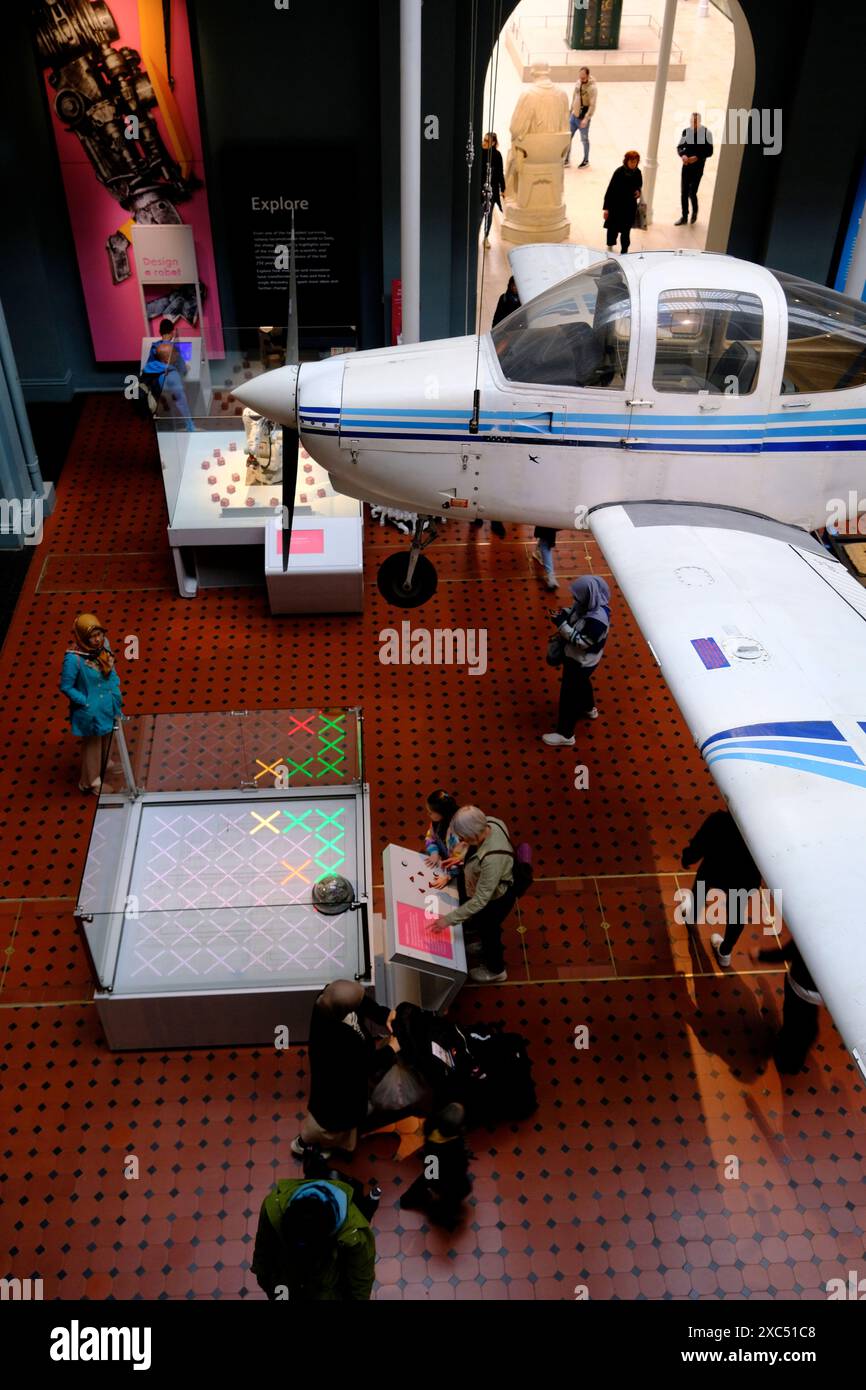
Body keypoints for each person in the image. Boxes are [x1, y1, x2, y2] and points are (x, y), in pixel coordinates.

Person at [292, 980, 391, 1160]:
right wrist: (392, 1049)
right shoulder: (336, 1042)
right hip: (338, 1100)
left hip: (339, 1091)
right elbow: (365, 1065)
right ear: (344, 1011)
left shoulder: (327, 999)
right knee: (335, 1129)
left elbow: (361, 1002)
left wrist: (384, 1015)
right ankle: (324, 1148)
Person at [251, 1175, 376, 1300]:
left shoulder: (355, 1236)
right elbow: (263, 1252)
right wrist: (270, 1286)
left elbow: (361, 1284)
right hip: (284, 1285)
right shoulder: (273, 1210)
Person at [429, 805, 516, 984]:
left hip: (496, 900)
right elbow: (476, 849)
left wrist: (448, 920)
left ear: (473, 834)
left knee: (490, 931)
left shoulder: (492, 860)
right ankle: (483, 946)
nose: (461, 840)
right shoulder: (492, 822)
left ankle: (496, 970)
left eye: (463, 837)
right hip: (486, 891)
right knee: (483, 928)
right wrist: (461, 858)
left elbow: (481, 900)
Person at [680, 809, 762, 967]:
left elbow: (700, 842)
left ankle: (691, 917)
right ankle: (725, 952)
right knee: (736, 913)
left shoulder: (720, 820)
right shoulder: (763, 831)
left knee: (700, 889)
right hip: (745, 877)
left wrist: (688, 858)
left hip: (715, 867)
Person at [543, 576, 611, 747]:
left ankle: (566, 734)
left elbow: (582, 642)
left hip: (580, 661)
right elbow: (574, 613)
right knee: (582, 683)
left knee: (568, 696)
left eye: (577, 596)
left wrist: (561, 625)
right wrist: (564, 614)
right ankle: (589, 708)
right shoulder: (591, 605)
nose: (575, 600)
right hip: (584, 661)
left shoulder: (597, 622)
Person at [59, 613, 123, 794]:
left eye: (99, 634)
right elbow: (66, 686)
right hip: (90, 710)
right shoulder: (74, 659)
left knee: (109, 736)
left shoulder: (105, 647)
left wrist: (116, 689)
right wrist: (85, 701)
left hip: (108, 703)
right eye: (92, 637)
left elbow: (111, 670)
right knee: (93, 745)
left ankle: (105, 762)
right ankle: (91, 781)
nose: (97, 640)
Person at [399, 1102, 472, 1229]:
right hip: (448, 1177)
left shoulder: (432, 1127)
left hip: (431, 1166)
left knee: (424, 1181)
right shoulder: (454, 1147)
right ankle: (440, 1215)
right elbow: (460, 1167)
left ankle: (408, 1200)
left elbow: (430, 1167)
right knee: (458, 1191)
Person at [754, 939, 822, 1074]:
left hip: (798, 988)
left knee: (792, 1021)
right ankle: (794, 1058)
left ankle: (787, 1060)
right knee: (805, 1022)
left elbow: (784, 954)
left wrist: (760, 955)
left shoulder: (808, 938)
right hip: (816, 995)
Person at [141, 318, 195, 429]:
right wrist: (185, 368)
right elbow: (182, 369)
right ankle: (189, 425)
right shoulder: (173, 347)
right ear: (172, 332)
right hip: (171, 379)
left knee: (160, 401)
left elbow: (149, 365)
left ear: (160, 332)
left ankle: (160, 423)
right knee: (181, 401)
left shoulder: (154, 347)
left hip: (158, 382)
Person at [675, 113, 714, 225]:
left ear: (700, 121)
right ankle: (684, 216)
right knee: (684, 192)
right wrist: (682, 155)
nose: (693, 124)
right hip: (686, 166)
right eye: (692, 121)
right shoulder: (686, 132)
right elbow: (680, 147)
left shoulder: (707, 133)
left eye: (696, 122)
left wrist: (697, 157)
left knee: (692, 192)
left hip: (698, 168)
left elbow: (710, 152)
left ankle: (695, 211)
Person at [602, 151, 642, 254]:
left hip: (629, 207)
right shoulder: (619, 172)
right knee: (613, 229)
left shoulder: (638, 172)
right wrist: (606, 208)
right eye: (631, 161)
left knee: (626, 231)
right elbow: (610, 190)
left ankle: (624, 250)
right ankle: (610, 244)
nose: (633, 164)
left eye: (635, 162)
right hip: (616, 206)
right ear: (626, 161)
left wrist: (638, 191)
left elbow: (639, 185)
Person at [423, 790, 465, 888]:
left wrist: (448, 876)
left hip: (459, 873)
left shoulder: (457, 832)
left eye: (430, 812)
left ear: (442, 813)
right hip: (443, 862)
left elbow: (459, 860)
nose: (428, 814)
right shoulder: (437, 822)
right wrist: (434, 852)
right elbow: (430, 837)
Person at [566, 65, 597, 167]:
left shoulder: (592, 88)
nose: (581, 79)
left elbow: (592, 105)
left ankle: (586, 160)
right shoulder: (578, 83)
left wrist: (586, 118)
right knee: (567, 137)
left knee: (584, 139)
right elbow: (574, 97)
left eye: (583, 77)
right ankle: (566, 158)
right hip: (574, 116)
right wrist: (570, 111)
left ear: (588, 76)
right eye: (580, 77)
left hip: (583, 118)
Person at [480, 132, 506, 247]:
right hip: (480, 190)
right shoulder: (479, 153)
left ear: (493, 143)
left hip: (492, 190)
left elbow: (500, 173)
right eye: (484, 140)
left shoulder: (497, 155)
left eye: (487, 141)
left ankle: (486, 237)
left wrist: (503, 189)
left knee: (488, 216)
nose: (484, 143)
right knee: (478, 216)